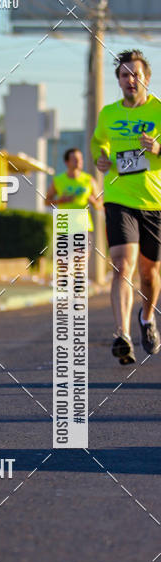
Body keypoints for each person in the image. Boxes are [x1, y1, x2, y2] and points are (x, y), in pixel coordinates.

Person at [91, 49, 161, 364]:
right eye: (123, 75)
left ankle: (146, 318)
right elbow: (98, 143)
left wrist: (158, 147)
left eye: (135, 74)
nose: (130, 80)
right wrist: (100, 158)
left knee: (150, 274)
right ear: (118, 80)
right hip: (119, 198)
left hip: (154, 202)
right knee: (122, 264)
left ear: (146, 77)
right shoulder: (108, 114)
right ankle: (123, 335)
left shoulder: (159, 110)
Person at [45, 148, 102, 236]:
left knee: (82, 250)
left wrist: (93, 202)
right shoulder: (58, 180)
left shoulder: (89, 180)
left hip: (83, 227)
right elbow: (46, 202)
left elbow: (100, 205)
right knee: (68, 251)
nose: (79, 161)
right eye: (75, 159)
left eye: (80, 159)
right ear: (66, 162)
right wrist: (60, 201)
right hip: (64, 227)